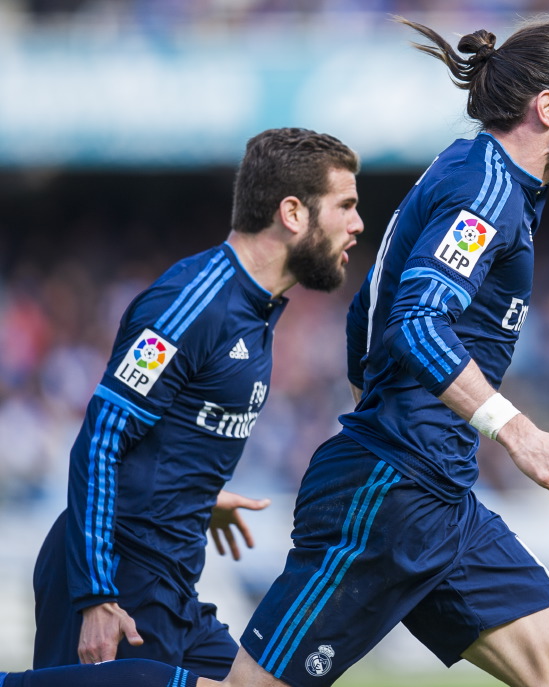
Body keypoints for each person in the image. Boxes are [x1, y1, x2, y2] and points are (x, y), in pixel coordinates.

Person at [1, 13, 549, 687]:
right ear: (548, 106)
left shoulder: (483, 181)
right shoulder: (485, 190)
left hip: (436, 487)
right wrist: (516, 432)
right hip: (394, 490)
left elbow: (368, 317)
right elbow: (411, 320)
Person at [28, 127, 364, 679]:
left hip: (170, 582)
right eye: (345, 205)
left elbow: (164, 434)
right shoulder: (192, 303)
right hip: (119, 577)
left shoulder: (256, 311)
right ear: (293, 213)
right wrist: (95, 595)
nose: (356, 224)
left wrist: (196, 494)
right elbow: (101, 439)